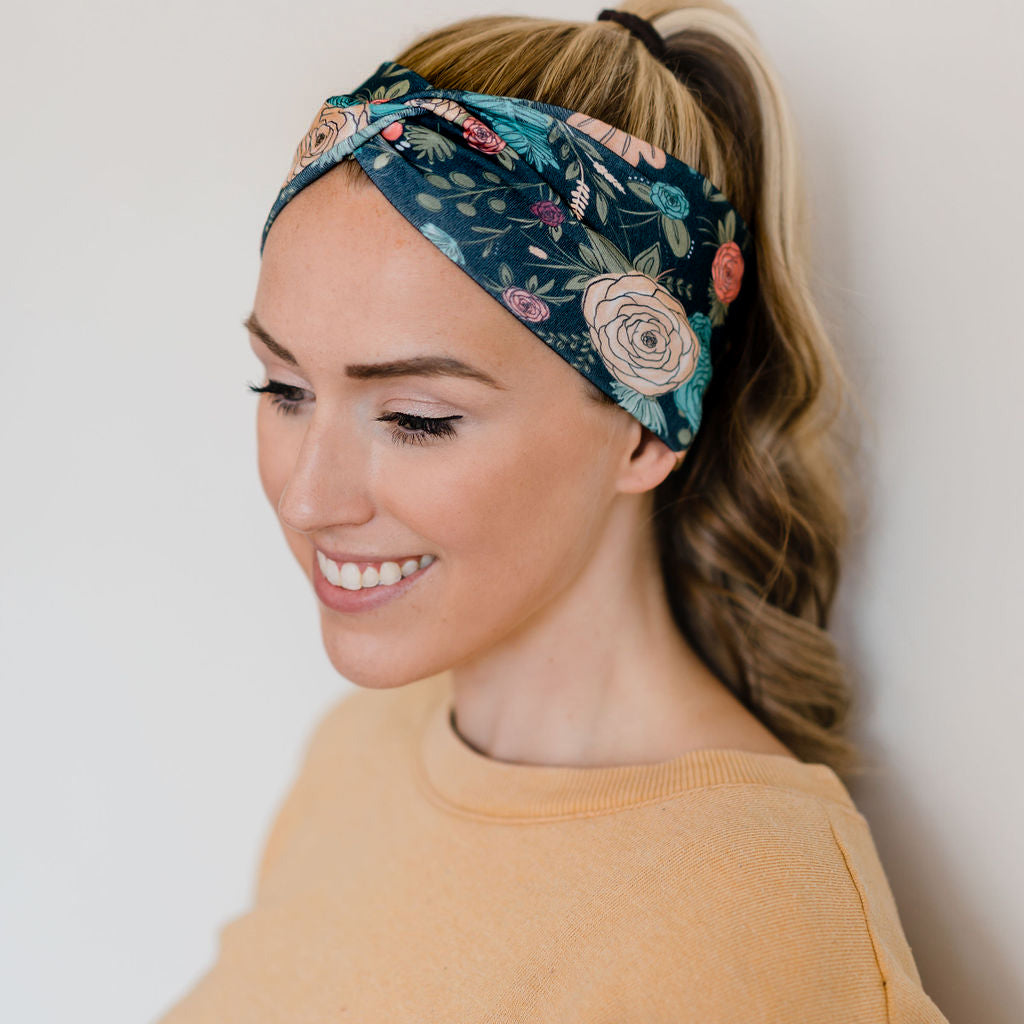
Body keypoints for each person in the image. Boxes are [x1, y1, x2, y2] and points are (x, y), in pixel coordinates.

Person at [155, 2, 951, 1020]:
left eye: (415, 416)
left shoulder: (752, 921)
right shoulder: (360, 752)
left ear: (642, 427)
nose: (308, 496)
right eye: (284, 390)